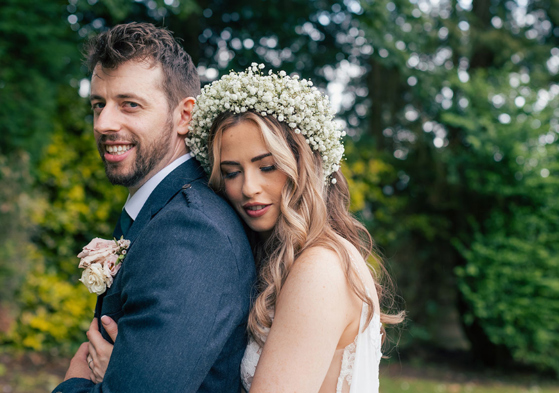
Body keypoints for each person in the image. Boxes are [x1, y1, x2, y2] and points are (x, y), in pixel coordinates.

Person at [93, 64, 404, 392]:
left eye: (267, 166)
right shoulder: (283, 260)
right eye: (231, 172)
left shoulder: (321, 269)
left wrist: (131, 375)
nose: (248, 188)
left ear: (303, 164)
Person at [52, 23, 255, 393]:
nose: (103, 123)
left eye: (129, 104)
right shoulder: (158, 208)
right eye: (99, 104)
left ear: (185, 116)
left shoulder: (192, 231)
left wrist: (74, 383)